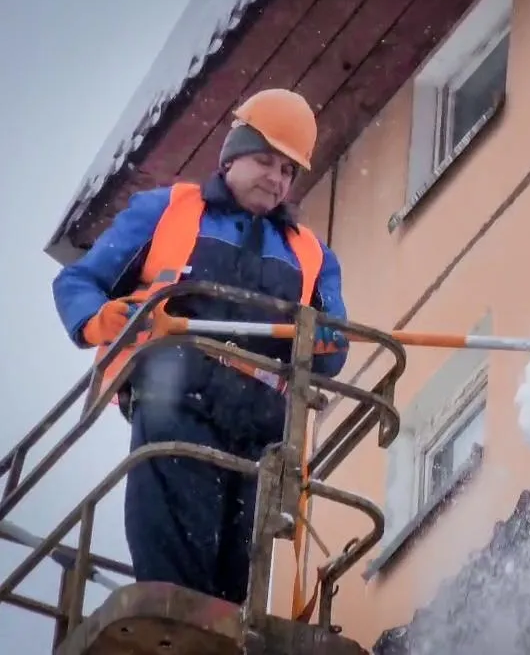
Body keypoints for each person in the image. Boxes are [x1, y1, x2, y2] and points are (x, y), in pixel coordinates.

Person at [51, 88, 348, 606]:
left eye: (287, 171)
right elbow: (79, 282)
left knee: (236, 582)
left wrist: (326, 343)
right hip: (176, 395)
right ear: (232, 156)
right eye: (265, 161)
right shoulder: (168, 211)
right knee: (176, 560)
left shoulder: (312, 255)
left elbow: (335, 342)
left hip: (261, 426)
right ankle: (171, 619)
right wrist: (98, 320)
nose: (276, 179)